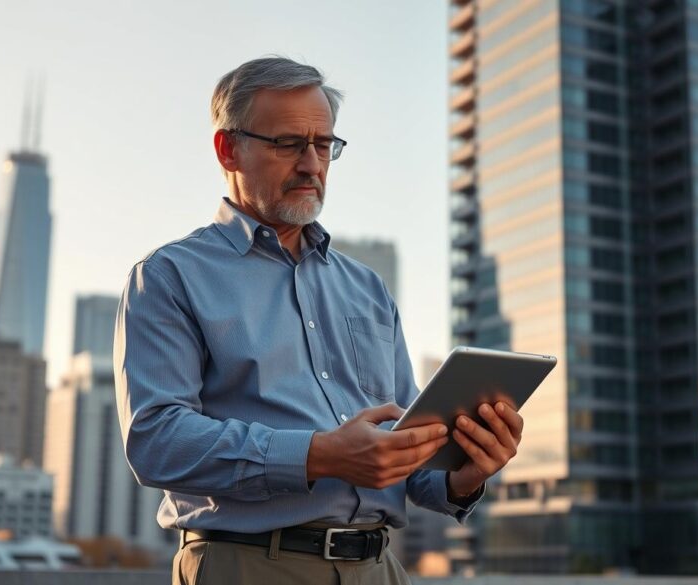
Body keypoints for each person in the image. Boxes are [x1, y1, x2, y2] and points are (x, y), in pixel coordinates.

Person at [114, 56, 525, 585]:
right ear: (228, 149)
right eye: (288, 144)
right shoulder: (168, 277)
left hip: (381, 569)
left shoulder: (368, 287)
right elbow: (156, 441)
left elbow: (410, 453)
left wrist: (462, 475)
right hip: (248, 567)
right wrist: (318, 456)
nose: (312, 164)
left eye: (324, 145)